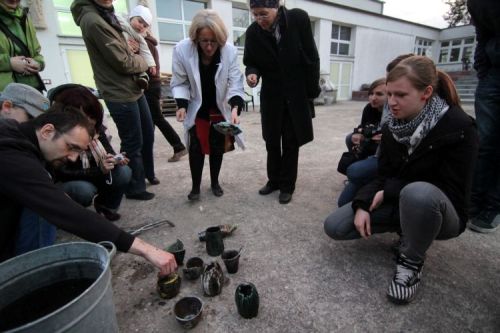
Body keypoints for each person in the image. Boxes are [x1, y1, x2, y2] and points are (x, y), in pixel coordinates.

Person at [324, 56, 478, 304]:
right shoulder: (393, 126)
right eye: (390, 94)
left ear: (426, 92)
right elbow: (383, 174)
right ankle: (406, 231)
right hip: (399, 201)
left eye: (401, 95)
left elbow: (452, 189)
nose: (392, 103)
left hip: (440, 211)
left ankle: (410, 262)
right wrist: (362, 203)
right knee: (335, 226)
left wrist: (389, 190)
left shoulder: (459, 127)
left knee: (418, 194)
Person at [0, 104, 177, 276]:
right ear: (47, 131)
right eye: (71, 147)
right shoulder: (9, 154)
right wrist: (146, 250)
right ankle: (27, 275)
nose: (73, 158)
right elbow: (65, 212)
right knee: (45, 210)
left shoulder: (22, 140)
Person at [71, 0, 156, 199]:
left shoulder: (107, 14)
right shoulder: (93, 20)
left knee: (147, 134)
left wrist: (131, 52)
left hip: (133, 88)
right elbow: (123, 62)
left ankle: (145, 175)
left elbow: (127, 51)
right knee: (132, 142)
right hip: (119, 92)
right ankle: (134, 187)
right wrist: (142, 60)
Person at [244, 0, 320, 204]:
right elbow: (251, 61)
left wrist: (311, 93)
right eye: (255, 14)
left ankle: (287, 185)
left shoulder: (298, 19)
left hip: (296, 93)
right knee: (271, 140)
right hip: (271, 95)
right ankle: (273, 181)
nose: (259, 19)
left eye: (263, 14)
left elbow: (312, 57)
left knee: (290, 141)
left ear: (276, 7)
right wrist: (252, 74)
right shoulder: (253, 32)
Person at [171, 9, 245, 201]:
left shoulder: (229, 51)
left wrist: (236, 106)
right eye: (205, 41)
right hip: (197, 108)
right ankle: (195, 187)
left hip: (218, 108)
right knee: (196, 149)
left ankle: (214, 182)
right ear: (196, 37)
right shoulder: (182, 50)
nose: (210, 46)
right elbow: (179, 82)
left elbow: (235, 81)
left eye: (214, 41)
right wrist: (181, 105)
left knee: (217, 147)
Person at [48, 84, 132, 221]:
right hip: (71, 179)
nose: (89, 123)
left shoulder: (95, 128)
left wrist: (114, 159)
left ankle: (105, 206)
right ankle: (72, 217)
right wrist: (99, 170)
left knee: (124, 171)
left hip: (93, 172)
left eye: (92, 117)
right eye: (82, 116)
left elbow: (108, 151)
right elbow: (61, 172)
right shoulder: (55, 134)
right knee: (83, 190)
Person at [128, 7, 188, 164]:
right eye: (139, 21)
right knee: (151, 122)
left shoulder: (144, 43)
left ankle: (178, 146)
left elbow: (149, 67)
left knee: (155, 119)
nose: (141, 25)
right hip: (150, 85)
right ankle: (150, 153)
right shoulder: (140, 40)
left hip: (149, 85)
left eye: (144, 24)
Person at [467, 0, 500, 233]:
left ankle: (493, 207)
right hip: (493, 75)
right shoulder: (478, 2)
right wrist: (483, 71)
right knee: (483, 141)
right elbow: (483, 35)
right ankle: (472, 201)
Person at [338, 78, 386, 207]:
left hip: (381, 155)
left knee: (344, 201)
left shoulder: (393, 112)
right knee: (350, 138)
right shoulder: (369, 108)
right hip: (369, 148)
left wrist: (386, 138)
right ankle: (359, 167)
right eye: (371, 93)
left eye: (379, 94)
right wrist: (358, 134)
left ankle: (363, 174)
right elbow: (362, 127)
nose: (373, 98)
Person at [0, 0, 45, 92]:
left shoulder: (24, 17)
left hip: (32, 90)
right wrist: (9, 63)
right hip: (5, 95)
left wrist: (38, 63)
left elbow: (36, 53)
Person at [118, 4, 156, 90]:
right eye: (140, 21)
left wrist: (151, 64)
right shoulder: (122, 25)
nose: (141, 26)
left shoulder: (139, 37)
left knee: (138, 64)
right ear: (132, 17)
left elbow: (145, 50)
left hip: (131, 57)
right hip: (121, 53)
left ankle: (143, 77)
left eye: (145, 26)